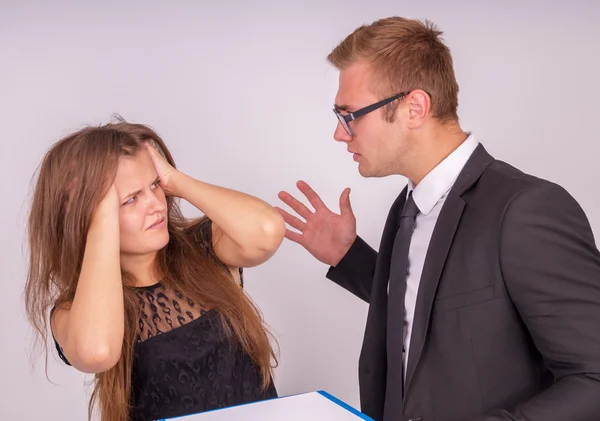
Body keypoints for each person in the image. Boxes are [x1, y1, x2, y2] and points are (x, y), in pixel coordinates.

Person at [276, 16, 600, 421]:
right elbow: (434, 303)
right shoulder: (408, 205)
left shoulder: (526, 209)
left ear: (414, 107)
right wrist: (348, 257)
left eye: (350, 115)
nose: (341, 134)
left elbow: (594, 376)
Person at [24, 118, 285, 421]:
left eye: (154, 186)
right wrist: (99, 216)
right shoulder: (73, 310)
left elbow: (267, 231)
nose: (155, 205)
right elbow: (96, 352)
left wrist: (175, 180)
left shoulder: (206, 248)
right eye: (131, 199)